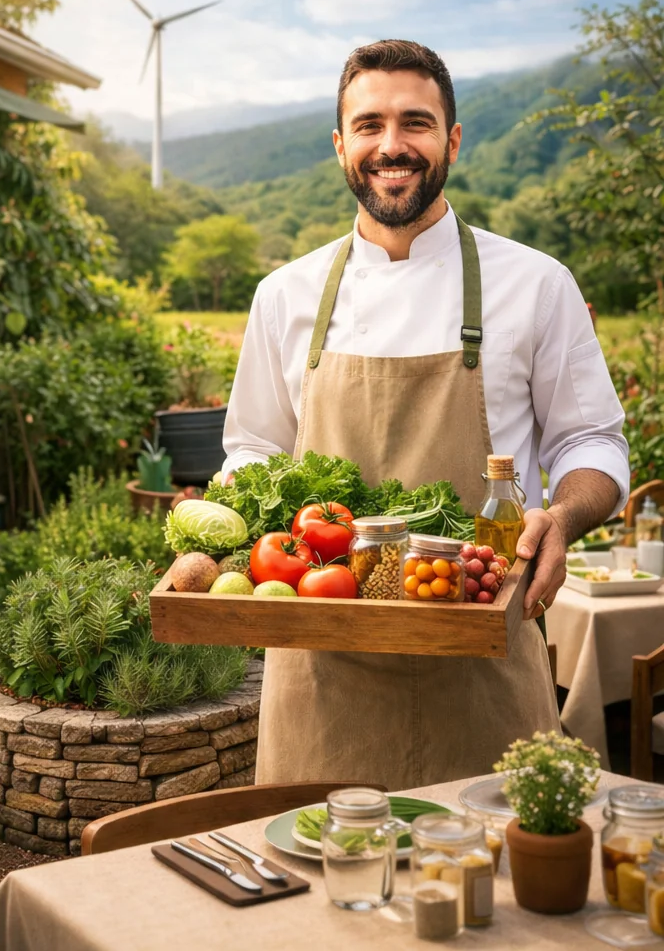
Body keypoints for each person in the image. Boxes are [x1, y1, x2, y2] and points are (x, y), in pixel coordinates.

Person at [222, 40, 629, 790]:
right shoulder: (285, 295)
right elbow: (252, 450)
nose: (392, 145)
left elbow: (593, 441)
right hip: (323, 678)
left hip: (485, 664)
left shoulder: (536, 284)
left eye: (416, 122)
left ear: (452, 139)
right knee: (315, 893)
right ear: (342, 144)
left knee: (497, 898)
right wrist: (221, 538)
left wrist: (561, 519)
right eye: (369, 124)